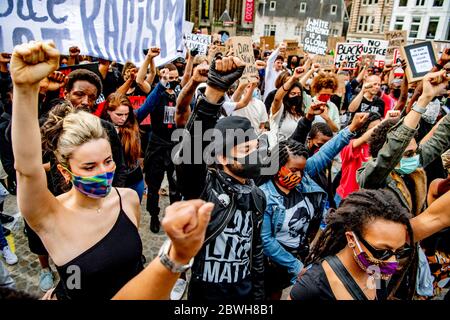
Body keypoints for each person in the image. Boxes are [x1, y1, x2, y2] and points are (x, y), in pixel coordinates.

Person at [10, 41, 143, 300]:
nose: (104, 172)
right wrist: (25, 88)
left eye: (107, 161)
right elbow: (27, 169)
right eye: (89, 166)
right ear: (65, 172)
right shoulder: (50, 215)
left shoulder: (128, 199)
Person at [175, 56, 267, 301]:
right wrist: (214, 92)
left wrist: (257, 297)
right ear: (223, 158)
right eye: (246, 151)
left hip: (243, 295)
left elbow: (255, 252)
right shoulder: (204, 188)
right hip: (206, 295)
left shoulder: (258, 196)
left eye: (256, 148)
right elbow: (190, 153)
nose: (256, 156)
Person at [259, 114, 369, 299]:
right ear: (277, 166)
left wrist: (350, 129)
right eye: (293, 170)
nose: (299, 176)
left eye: (302, 170)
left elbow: (326, 153)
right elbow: (266, 240)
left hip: (299, 253)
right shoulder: (264, 195)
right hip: (271, 262)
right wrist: (296, 266)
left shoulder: (302, 178)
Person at [290, 188, 450, 300]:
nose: (393, 263)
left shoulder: (374, 269)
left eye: (399, 252)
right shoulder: (312, 287)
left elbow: (439, 217)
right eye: (383, 252)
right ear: (351, 239)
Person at [139, 63, 182, 233]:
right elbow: (143, 111)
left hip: (175, 145)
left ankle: (174, 216)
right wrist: (160, 85)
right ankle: (154, 216)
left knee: (176, 186)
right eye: (168, 78)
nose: (172, 81)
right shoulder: (157, 94)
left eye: (174, 78)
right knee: (154, 186)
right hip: (157, 145)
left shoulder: (181, 93)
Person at [101, 93, 145, 201]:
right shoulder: (99, 128)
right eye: (119, 114)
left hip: (134, 181)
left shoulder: (132, 123)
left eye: (126, 114)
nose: (123, 118)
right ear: (108, 111)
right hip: (112, 183)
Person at [335, 112, 383, 207]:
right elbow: (361, 140)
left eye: (380, 127)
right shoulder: (351, 145)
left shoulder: (381, 148)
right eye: (373, 128)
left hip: (367, 201)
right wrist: (384, 123)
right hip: (347, 199)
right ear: (363, 129)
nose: (377, 131)